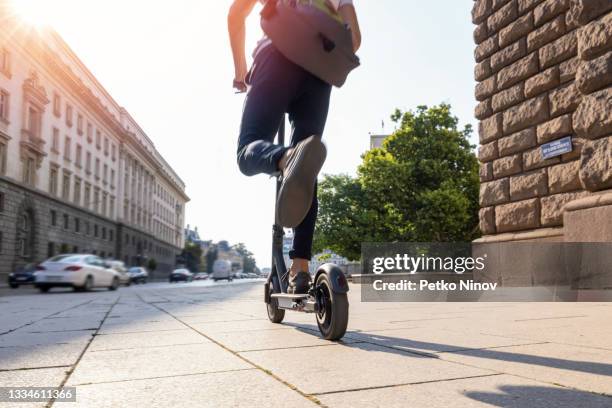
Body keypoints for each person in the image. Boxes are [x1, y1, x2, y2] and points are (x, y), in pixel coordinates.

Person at [228, 0, 361, 293]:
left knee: (248, 149)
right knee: (307, 170)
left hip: (277, 52)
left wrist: (240, 72)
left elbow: (236, 15)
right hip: (320, 71)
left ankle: (285, 158)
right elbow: (354, 40)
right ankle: (300, 270)